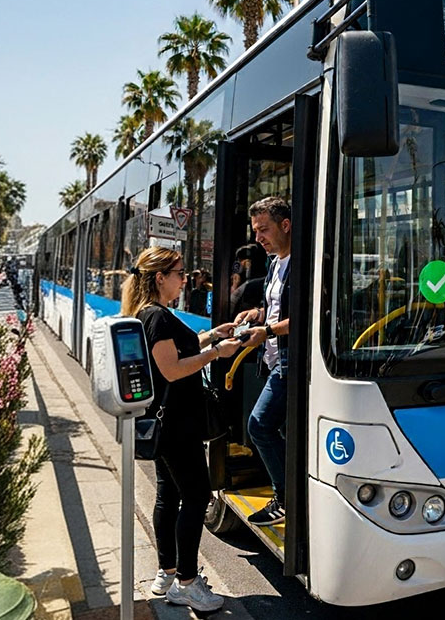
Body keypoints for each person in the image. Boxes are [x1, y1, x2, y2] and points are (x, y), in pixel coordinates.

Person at [120, 246, 241, 611]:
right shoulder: (156, 316)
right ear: (160, 278)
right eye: (179, 273)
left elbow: (173, 353)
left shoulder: (152, 314)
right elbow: (171, 369)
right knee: (197, 494)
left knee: (169, 495)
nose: (184, 279)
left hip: (169, 420)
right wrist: (215, 355)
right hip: (177, 425)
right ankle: (187, 583)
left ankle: (167, 572)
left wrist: (209, 337)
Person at [234, 197, 293, 526]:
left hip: (287, 367)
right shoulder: (274, 262)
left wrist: (266, 329)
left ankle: (285, 497)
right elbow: (273, 308)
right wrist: (254, 314)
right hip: (271, 362)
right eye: (255, 230)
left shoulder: (301, 263)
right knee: (274, 428)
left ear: (285, 225)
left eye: (263, 230)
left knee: (259, 426)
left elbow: (304, 318)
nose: (258, 238)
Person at [230, 243, 268, 319]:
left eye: (240, 261)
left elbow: (232, 303)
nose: (238, 264)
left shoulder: (251, 285)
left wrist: (234, 286)